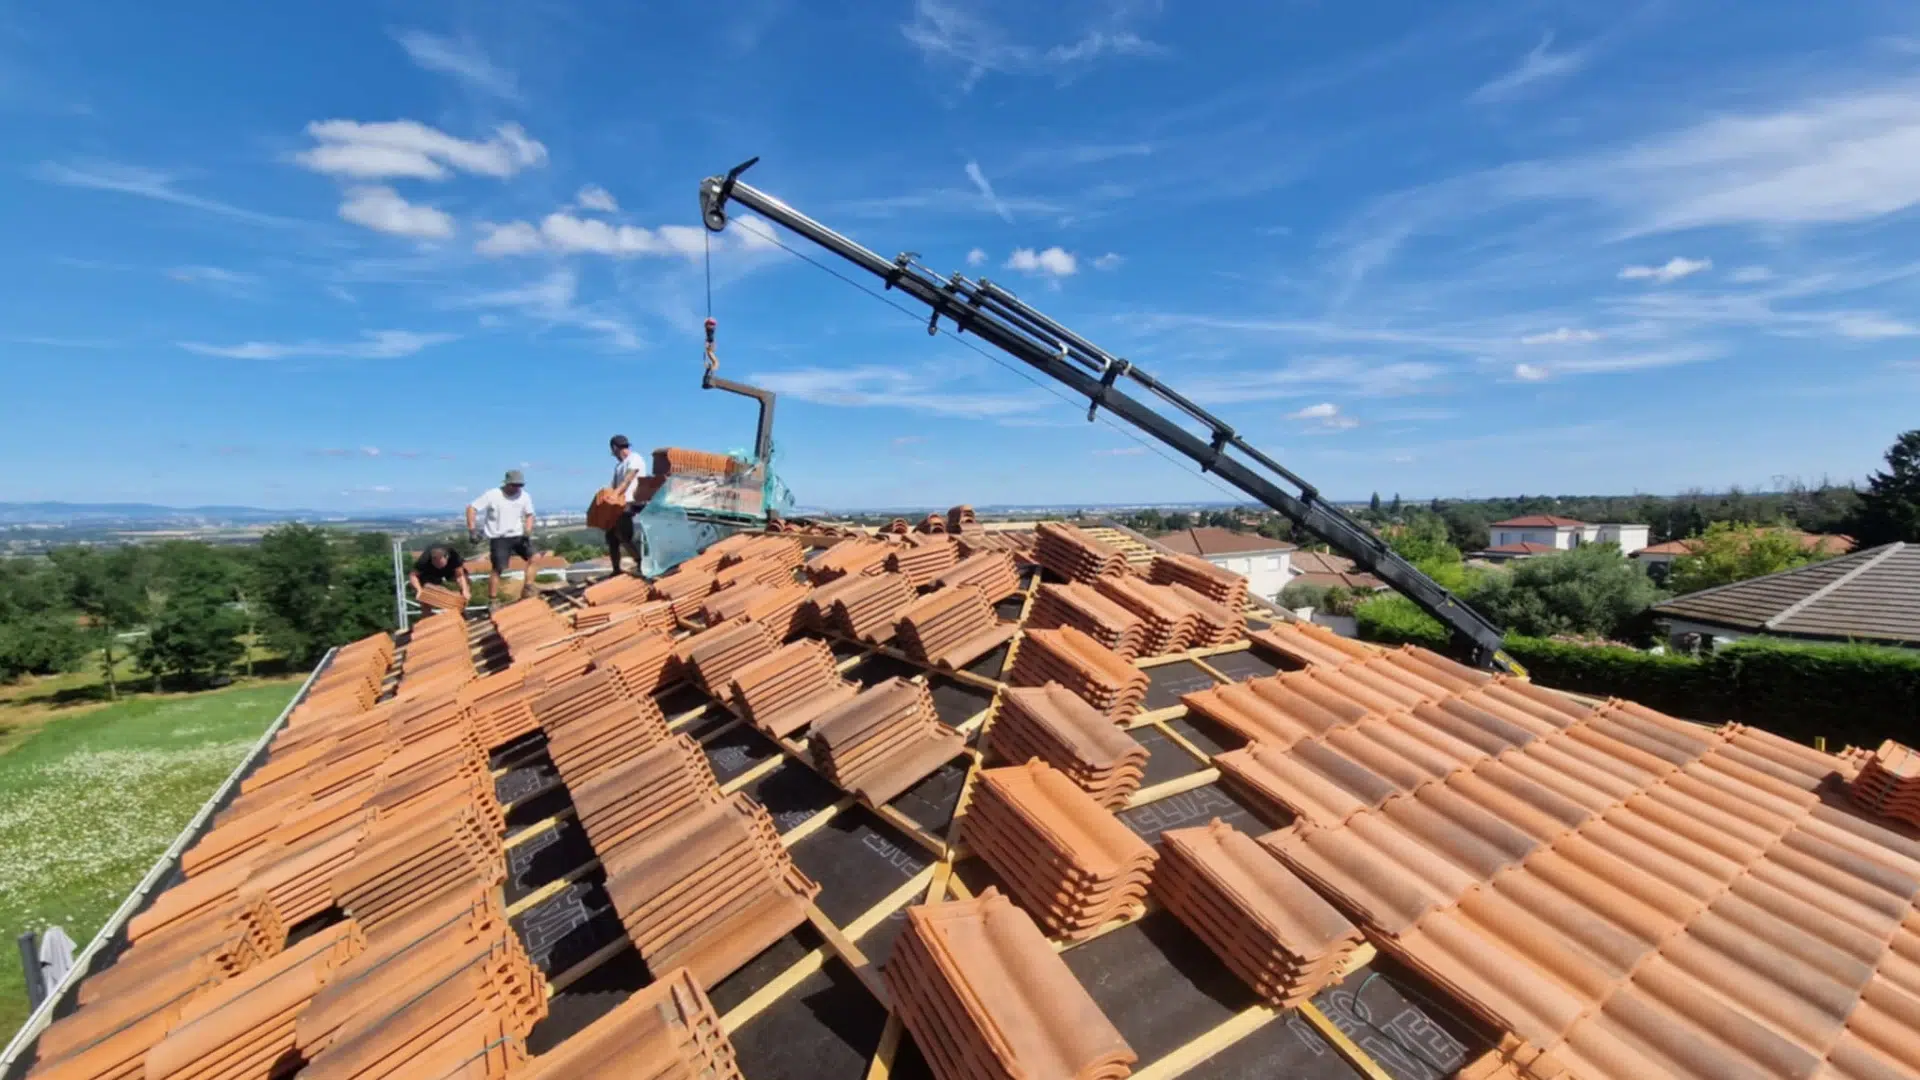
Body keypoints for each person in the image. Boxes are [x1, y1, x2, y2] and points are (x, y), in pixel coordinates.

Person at [467, 470, 536, 607]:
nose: (517, 488)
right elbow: (471, 508)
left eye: (519, 485)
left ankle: (528, 588)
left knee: (535, 557)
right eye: (514, 485)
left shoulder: (525, 497)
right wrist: (472, 530)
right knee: (498, 568)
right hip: (499, 537)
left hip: (518, 535)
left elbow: (529, 514)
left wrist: (528, 531)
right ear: (507, 483)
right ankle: (493, 600)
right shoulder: (492, 495)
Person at [606, 434, 647, 577]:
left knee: (624, 535)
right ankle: (616, 569)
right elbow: (614, 484)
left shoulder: (634, 459)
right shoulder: (619, 466)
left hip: (632, 503)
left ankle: (641, 562)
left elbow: (628, 478)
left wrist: (615, 493)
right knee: (611, 536)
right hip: (619, 503)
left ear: (615, 448)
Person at [408, 544, 471, 608]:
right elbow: (413, 575)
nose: (438, 566)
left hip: (449, 569)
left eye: (440, 563)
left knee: (465, 580)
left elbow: (459, 576)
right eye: (435, 563)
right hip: (431, 572)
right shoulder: (424, 560)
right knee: (425, 593)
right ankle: (427, 613)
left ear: (446, 557)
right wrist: (419, 590)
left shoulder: (454, 556)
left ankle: (462, 606)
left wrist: (465, 590)